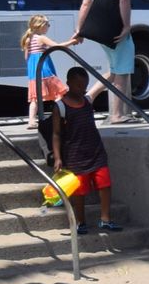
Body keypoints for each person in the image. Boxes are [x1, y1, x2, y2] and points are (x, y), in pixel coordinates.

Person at [45, 64, 118, 234]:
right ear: (69, 82)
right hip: (75, 155)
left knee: (105, 184)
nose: (82, 89)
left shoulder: (87, 101)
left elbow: (102, 84)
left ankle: (105, 219)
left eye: (85, 85)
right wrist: (57, 157)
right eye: (79, 85)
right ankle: (80, 221)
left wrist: (113, 71)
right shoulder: (60, 107)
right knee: (80, 191)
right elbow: (56, 134)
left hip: (95, 150)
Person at [76, 0, 138, 124]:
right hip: (115, 28)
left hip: (100, 28)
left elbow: (86, 3)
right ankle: (117, 114)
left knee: (114, 69)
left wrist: (79, 29)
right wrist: (126, 26)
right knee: (123, 72)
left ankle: (88, 98)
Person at [21, 13, 60, 130]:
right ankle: (62, 116)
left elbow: (26, 57)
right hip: (45, 68)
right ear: (40, 26)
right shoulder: (41, 38)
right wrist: (72, 42)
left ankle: (31, 121)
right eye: (47, 24)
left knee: (35, 98)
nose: (49, 26)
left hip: (34, 72)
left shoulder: (28, 38)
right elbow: (57, 46)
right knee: (58, 93)